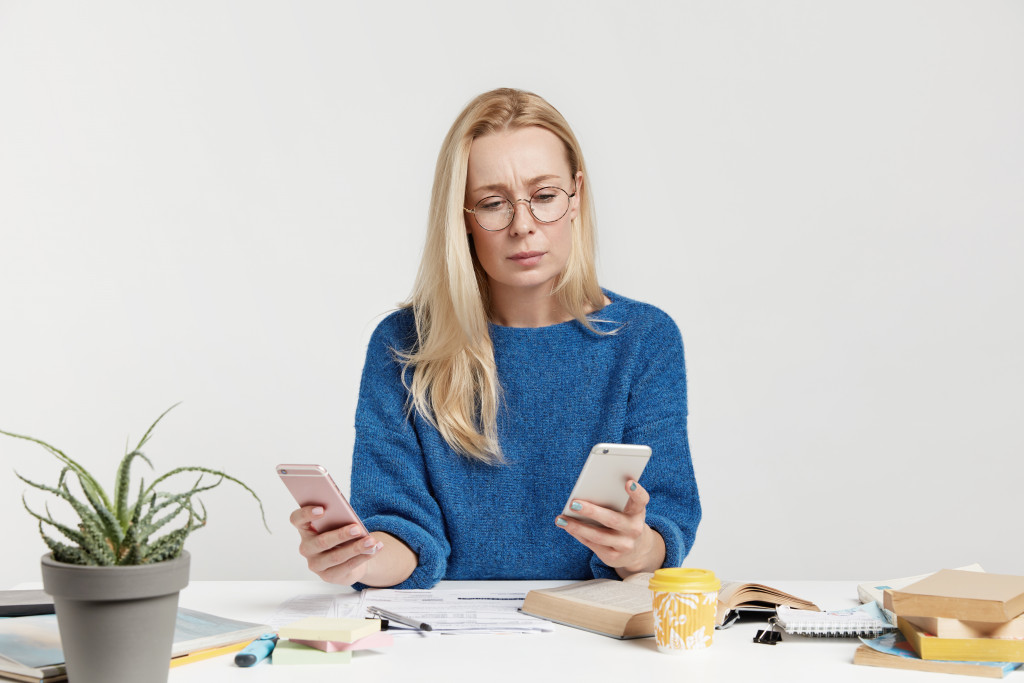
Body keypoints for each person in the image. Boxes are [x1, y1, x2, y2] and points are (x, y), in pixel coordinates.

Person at [289, 87, 700, 589]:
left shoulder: (644, 340)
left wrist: (636, 546)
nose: (523, 226)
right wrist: (360, 558)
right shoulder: (402, 345)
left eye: (544, 196)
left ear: (577, 197)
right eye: (492, 204)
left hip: (593, 630)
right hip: (444, 636)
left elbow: (664, 529)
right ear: (461, 220)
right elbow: (402, 530)